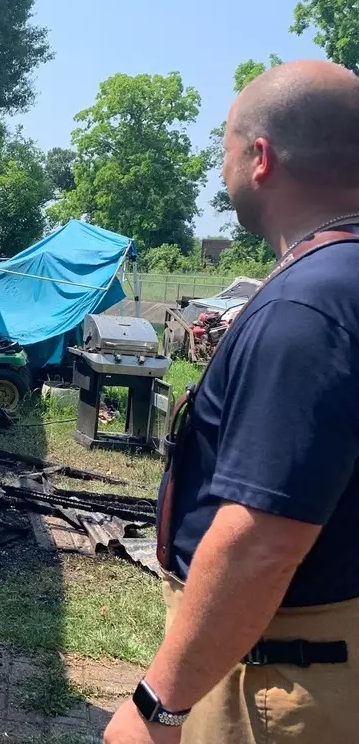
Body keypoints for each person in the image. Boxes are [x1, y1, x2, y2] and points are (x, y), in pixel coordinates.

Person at [104, 59, 359, 744]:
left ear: (261, 157)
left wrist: (159, 704)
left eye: (224, 152)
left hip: (280, 687)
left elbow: (261, 541)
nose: (221, 173)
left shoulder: (309, 305)